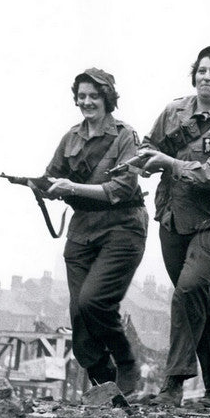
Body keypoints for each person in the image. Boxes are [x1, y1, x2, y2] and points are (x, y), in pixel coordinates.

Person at [137, 46, 210, 409]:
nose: (206, 77)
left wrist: (167, 162)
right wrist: (144, 162)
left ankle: (173, 385)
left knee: (186, 291)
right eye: (201, 70)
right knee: (196, 299)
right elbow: (149, 144)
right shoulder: (175, 112)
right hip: (173, 217)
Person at [40, 68, 148, 394]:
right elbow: (51, 176)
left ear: (107, 99)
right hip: (82, 230)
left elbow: (122, 187)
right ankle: (104, 378)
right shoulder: (71, 138)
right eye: (82, 96)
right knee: (78, 313)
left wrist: (70, 186)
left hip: (122, 226)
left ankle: (127, 363)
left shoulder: (126, 136)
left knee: (93, 303)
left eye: (94, 96)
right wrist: (42, 186)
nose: (87, 102)